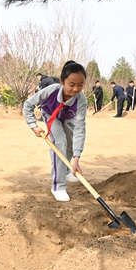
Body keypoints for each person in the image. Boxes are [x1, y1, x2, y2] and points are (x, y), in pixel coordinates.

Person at [23, 61, 88, 202]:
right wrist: (33, 125)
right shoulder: (51, 90)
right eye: (71, 84)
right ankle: (58, 186)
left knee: (70, 144)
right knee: (60, 143)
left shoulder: (81, 100)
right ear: (62, 81)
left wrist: (76, 158)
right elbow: (28, 104)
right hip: (51, 115)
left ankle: (66, 170)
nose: (76, 89)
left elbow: (80, 129)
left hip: (68, 118)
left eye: (80, 85)